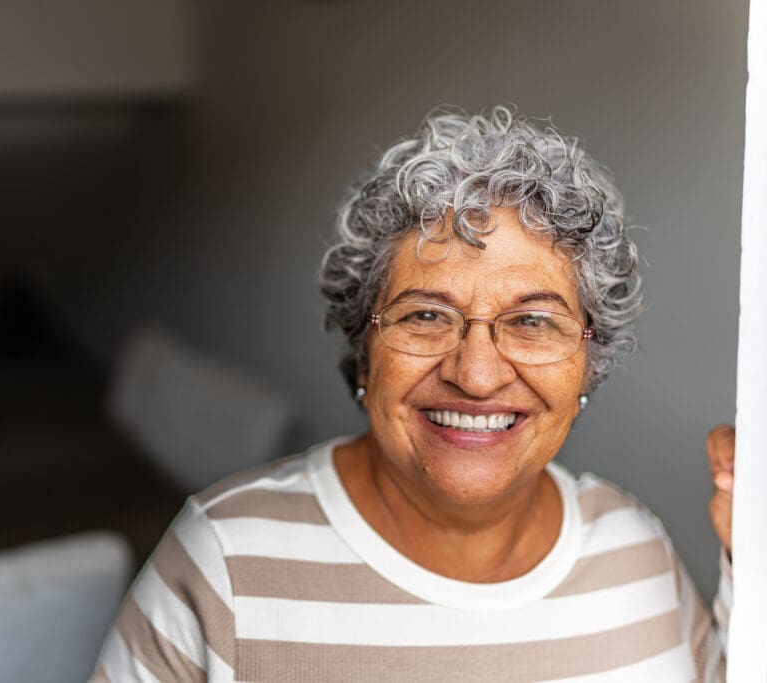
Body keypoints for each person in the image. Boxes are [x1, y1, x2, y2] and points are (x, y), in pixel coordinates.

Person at [92, 107, 735, 681]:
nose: (476, 376)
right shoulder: (223, 561)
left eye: (532, 321)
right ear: (364, 350)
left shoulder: (634, 547)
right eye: (425, 315)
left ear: (588, 365)